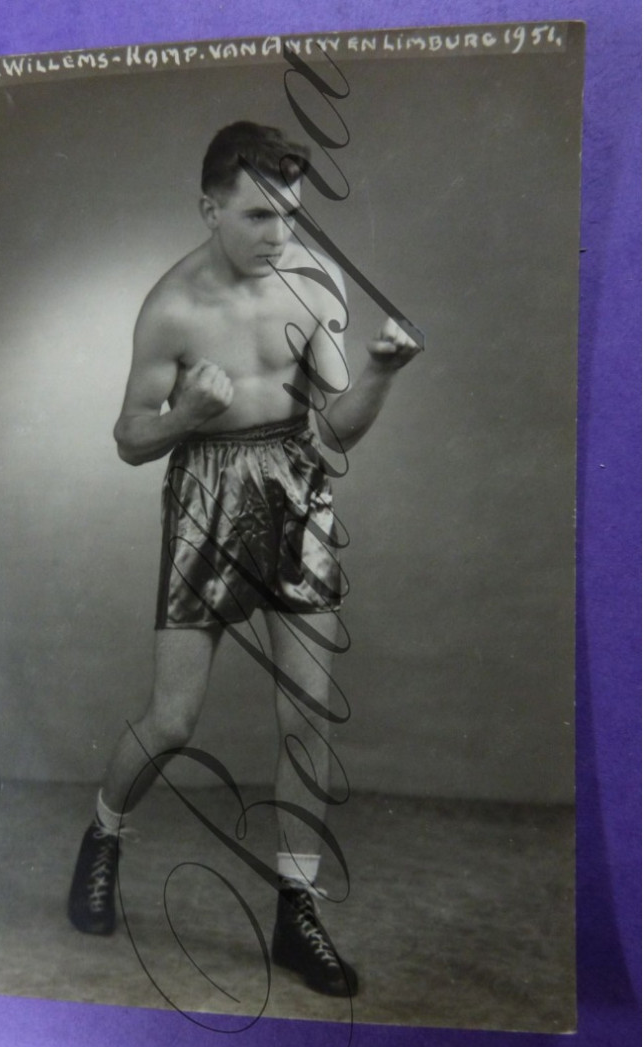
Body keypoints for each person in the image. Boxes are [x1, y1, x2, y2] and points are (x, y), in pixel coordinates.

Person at [67, 121, 420, 997]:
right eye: (259, 216)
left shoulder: (316, 282)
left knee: (307, 712)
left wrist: (379, 373)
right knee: (174, 719)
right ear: (209, 208)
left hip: (297, 486)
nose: (279, 236)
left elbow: (333, 433)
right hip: (206, 495)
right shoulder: (172, 306)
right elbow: (127, 438)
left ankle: (296, 912)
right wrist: (186, 415)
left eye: (290, 215)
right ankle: (104, 833)